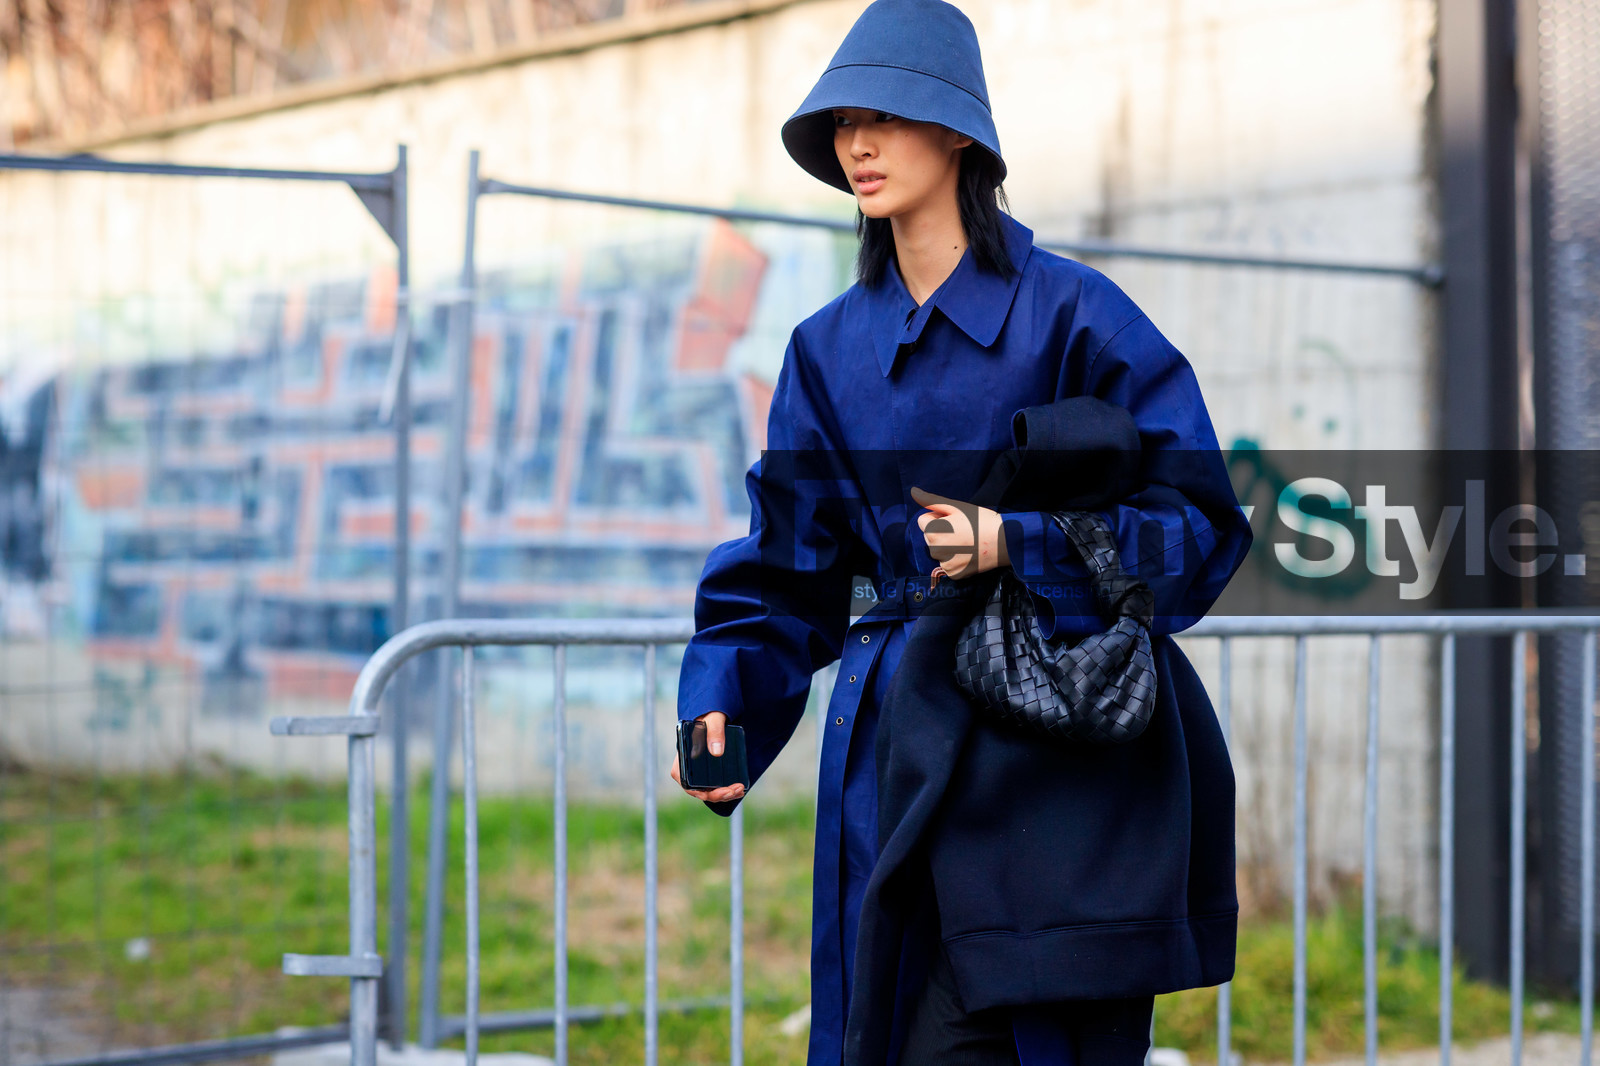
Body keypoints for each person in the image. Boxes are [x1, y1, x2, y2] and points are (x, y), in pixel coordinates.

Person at [672, 1, 1252, 1062]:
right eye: (842, 121)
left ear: (957, 135)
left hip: (1061, 777)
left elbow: (1201, 527)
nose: (857, 142)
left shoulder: (1077, 314)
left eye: (885, 115)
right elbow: (784, 562)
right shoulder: (825, 349)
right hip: (896, 761)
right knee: (885, 1037)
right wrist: (725, 697)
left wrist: (1016, 544)